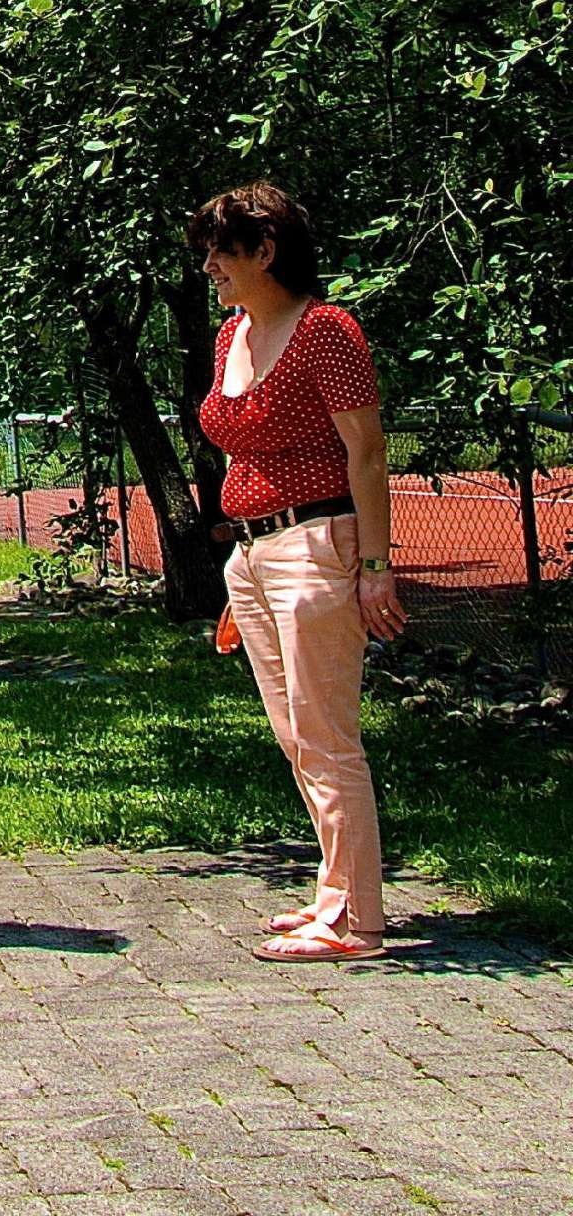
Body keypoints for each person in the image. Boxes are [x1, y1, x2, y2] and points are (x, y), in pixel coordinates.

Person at [192, 181, 405, 964]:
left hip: (318, 545)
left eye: (221, 251)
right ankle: (334, 892)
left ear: (265, 251)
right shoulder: (232, 336)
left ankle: (358, 924)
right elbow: (241, 447)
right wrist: (245, 558)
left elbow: (367, 454)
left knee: (327, 737)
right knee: (295, 738)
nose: (209, 267)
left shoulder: (326, 332)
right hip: (253, 557)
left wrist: (374, 566)